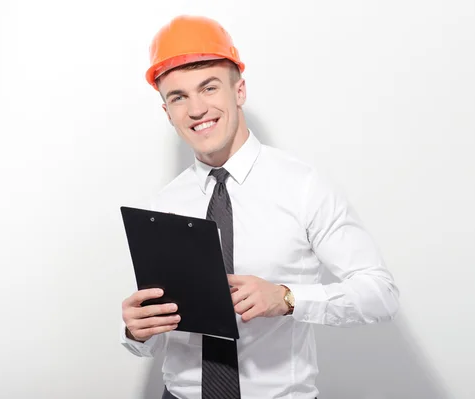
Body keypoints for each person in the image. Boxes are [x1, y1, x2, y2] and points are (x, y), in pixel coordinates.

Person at [120, 15, 400, 399]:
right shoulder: (164, 204)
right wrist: (137, 330)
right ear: (167, 112)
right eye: (178, 96)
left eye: (209, 87)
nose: (196, 108)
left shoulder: (303, 186)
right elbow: (157, 329)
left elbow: (380, 293)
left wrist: (287, 298)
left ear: (239, 91)